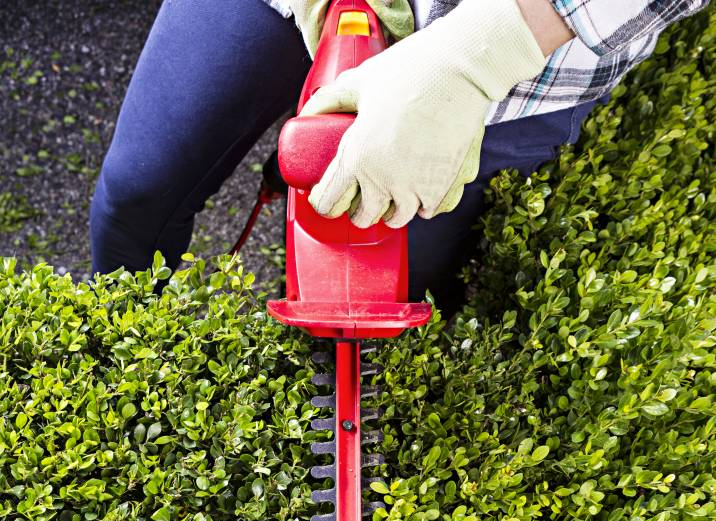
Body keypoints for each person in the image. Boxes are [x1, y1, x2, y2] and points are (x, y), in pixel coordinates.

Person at [89, 0, 708, 310]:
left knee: (396, 289)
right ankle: (129, 333)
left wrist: (477, 56)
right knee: (137, 190)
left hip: (515, 69)